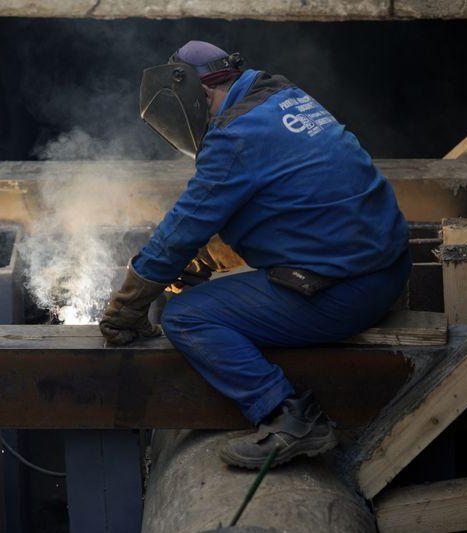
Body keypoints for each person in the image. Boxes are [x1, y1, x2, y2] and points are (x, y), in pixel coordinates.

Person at [99, 40, 410, 469]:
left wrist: (127, 307)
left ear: (197, 93)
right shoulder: (284, 97)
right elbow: (284, 200)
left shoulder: (234, 136)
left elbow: (180, 229)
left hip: (349, 294)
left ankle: (287, 417)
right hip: (389, 268)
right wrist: (206, 258)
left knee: (186, 316)